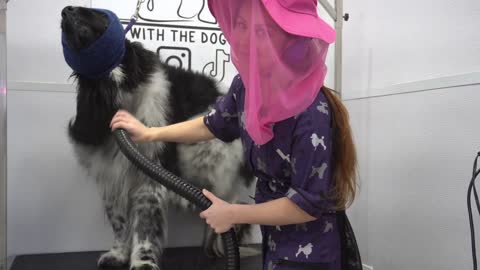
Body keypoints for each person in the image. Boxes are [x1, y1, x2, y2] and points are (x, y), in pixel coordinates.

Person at [111, 0, 362, 269]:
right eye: (241, 25)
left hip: (312, 254)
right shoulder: (247, 86)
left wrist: (233, 213)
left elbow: (306, 204)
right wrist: (150, 133)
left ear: (290, 38)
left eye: (260, 31)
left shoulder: (311, 112)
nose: (243, 39)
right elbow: (213, 124)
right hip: (274, 240)